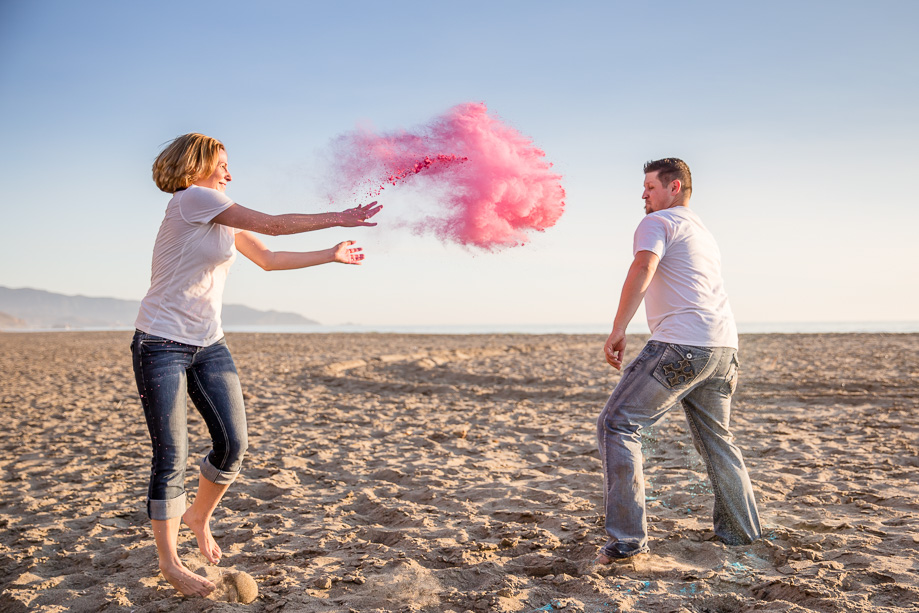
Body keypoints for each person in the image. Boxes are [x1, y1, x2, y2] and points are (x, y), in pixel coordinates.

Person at [131, 133, 382, 596]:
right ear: (198, 166)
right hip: (161, 342)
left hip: (208, 343)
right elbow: (274, 225)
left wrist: (330, 254)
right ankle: (169, 563)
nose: (229, 172)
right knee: (172, 454)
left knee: (233, 444)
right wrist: (339, 218)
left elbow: (267, 258)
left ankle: (197, 516)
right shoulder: (193, 200)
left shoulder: (218, 212)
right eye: (222, 164)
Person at [595, 158, 761, 563]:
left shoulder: (659, 222)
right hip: (723, 349)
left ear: (675, 187)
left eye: (650, 187)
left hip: (681, 345)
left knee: (617, 424)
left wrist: (619, 328)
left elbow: (643, 266)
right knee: (717, 440)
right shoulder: (702, 231)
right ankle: (742, 534)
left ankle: (627, 542)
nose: (644, 195)